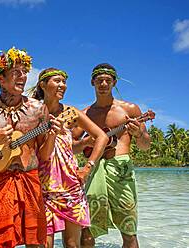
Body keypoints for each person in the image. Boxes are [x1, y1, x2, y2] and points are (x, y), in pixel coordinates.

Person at [0, 47, 63, 248]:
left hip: (30, 179)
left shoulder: (38, 109)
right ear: (0, 78)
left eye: (25, 72)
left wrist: (52, 136)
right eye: (16, 72)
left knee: (36, 242)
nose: (23, 77)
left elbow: (43, 155)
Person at [72, 63, 151, 248]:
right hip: (93, 169)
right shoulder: (85, 114)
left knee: (129, 228)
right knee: (87, 228)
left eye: (108, 80)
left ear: (114, 83)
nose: (104, 84)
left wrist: (139, 134)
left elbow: (145, 146)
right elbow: (70, 147)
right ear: (92, 82)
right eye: (99, 80)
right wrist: (84, 143)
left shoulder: (130, 109)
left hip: (121, 170)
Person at [31, 68, 108, 248]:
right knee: (43, 243)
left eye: (64, 82)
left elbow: (102, 137)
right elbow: (42, 155)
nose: (63, 86)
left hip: (71, 184)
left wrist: (87, 168)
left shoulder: (71, 113)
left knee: (72, 244)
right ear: (43, 84)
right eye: (57, 81)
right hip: (43, 185)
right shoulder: (33, 113)